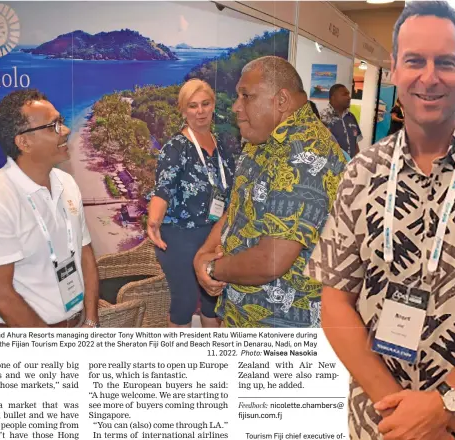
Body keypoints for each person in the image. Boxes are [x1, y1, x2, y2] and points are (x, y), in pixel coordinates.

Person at [305, 2, 455, 440]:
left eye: (445, 62)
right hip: (387, 426)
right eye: (415, 61)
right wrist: (402, 411)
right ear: (394, 69)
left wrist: (444, 404)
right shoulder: (360, 175)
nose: (430, 77)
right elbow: (335, 304)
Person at [193, 56, 346, 328]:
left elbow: (272, 259)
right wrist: (203, 254)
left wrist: (211, 268)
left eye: (246, 96)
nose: (236, 107)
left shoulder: (306, 154)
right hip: (241, 315)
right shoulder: (260, 139)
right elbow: (236, 210)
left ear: (281, 101)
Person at [0, 89, 99, 328]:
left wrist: (90, 319)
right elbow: (1, 296)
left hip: (78, 323)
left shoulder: (67, 182)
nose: (66, 131)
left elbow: (85, 254)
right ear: (24, 142)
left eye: (62, 122)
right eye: (53, 126)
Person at [146, 79, 235, 328]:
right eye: (193, 106)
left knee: (212, 302)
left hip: (215, 235)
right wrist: (154, 220)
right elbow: (163, 189)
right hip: (179, 237)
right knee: (184, 303)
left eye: (205, 104)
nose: (200, 111)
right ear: (184, 111)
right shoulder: (175, 148)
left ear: (213, 105)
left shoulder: (223, 147)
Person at [320, 83, 363, 158]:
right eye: (345, 95)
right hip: (333, 167)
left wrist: (357, 163)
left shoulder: (351, 117)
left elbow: (355, 144)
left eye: (349, 95)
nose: (349, 98)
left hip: (350, 166)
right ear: (333, 98)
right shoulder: (322, 117)